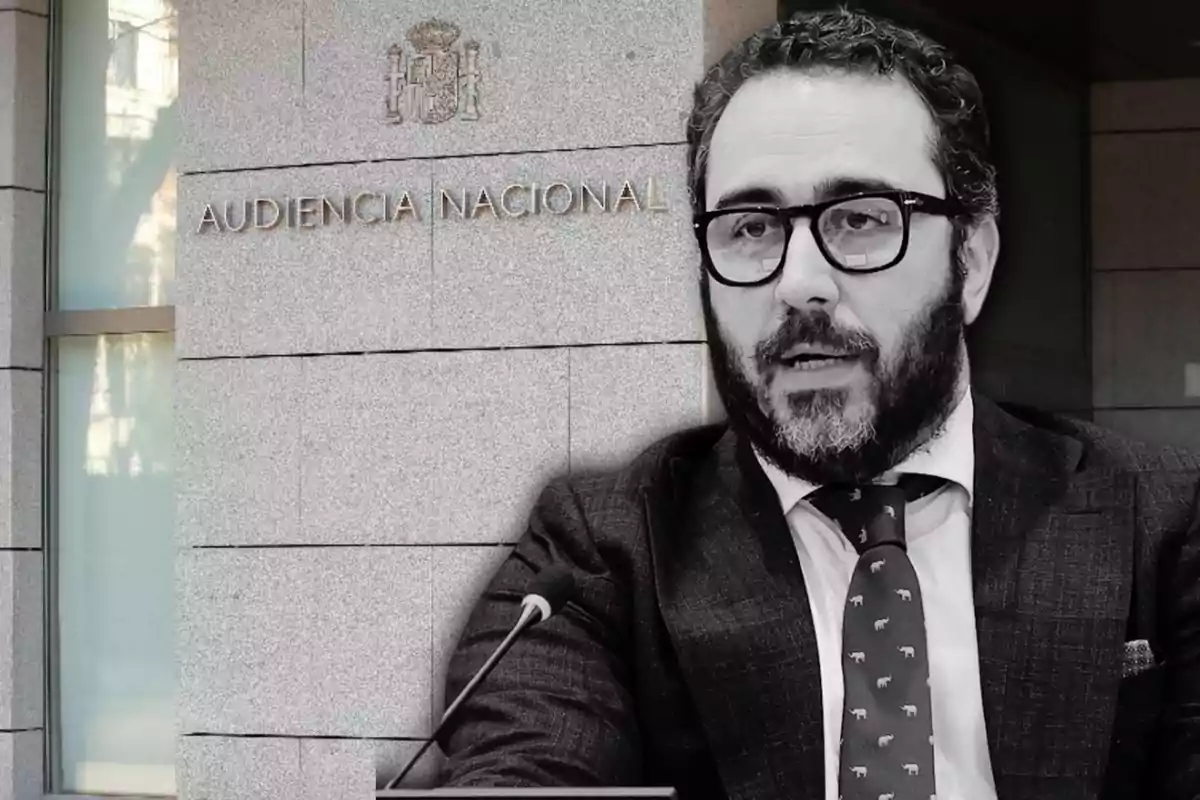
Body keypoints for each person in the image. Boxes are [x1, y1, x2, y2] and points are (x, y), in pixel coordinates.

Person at [432, 7, 1200, 800]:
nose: (798, 283)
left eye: (863, 219)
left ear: (971, 261)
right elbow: (523, 764)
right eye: (751, 227)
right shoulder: (603, 550)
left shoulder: (1165, 521)